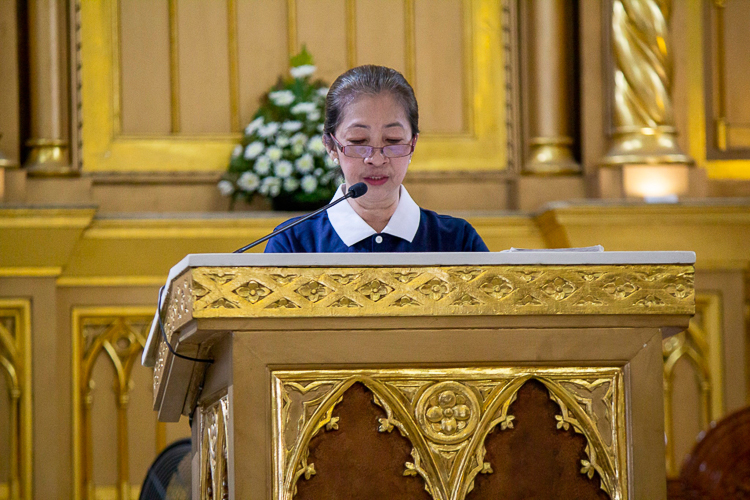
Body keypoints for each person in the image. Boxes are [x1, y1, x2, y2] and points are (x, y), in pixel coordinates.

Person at [264, 65, 489, 253]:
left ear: (413, 144)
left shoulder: (458, 241)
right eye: (359, 141)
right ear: (331, 146)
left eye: (392, 140)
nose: (377, 159)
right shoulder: (292, 244)